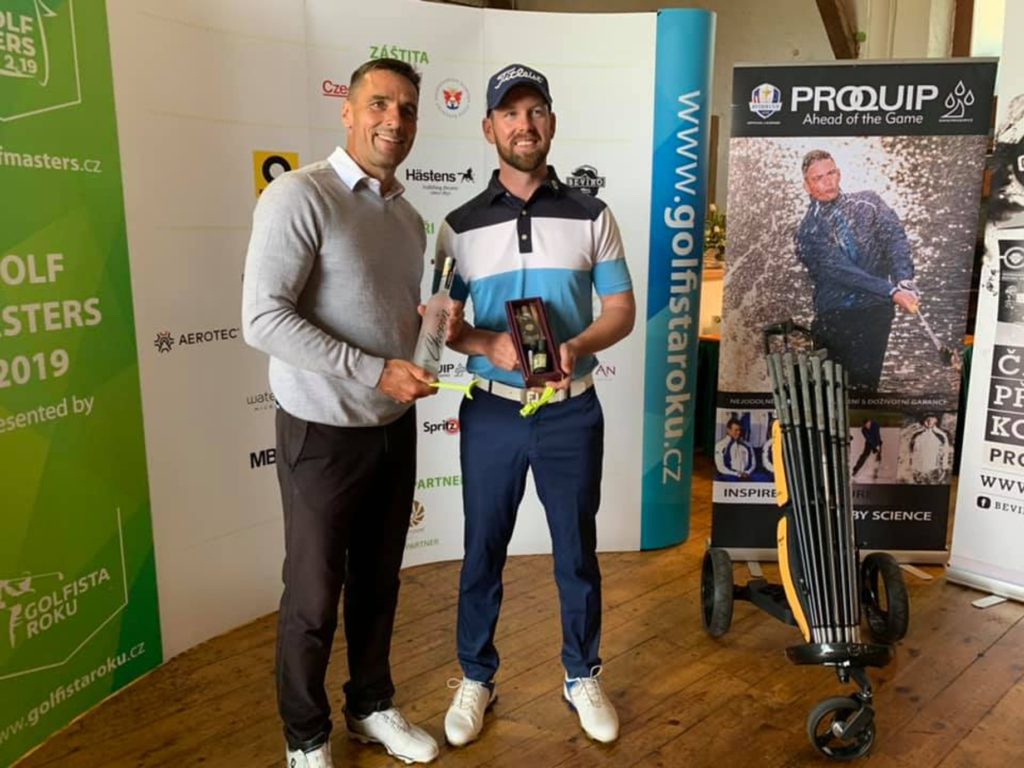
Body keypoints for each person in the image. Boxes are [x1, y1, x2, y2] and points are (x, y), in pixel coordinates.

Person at [241, 58, 442, 768]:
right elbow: (263, 318)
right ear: (348, 112)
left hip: (391, 428)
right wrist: (375, 370)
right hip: (320, 432)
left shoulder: (409, 219)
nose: (395, 120)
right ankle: (306, 735)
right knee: (313, 594)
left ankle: (370, 706)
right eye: (380, 104)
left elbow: (389, 320)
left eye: (408, 108)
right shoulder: (300, 195)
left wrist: (430, 338)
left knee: (379, 582)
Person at [435, 63, 635, 748]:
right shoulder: (457, 227)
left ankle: (582, 673)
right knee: (482, 550)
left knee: (576, 551)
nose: (524, 125)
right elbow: (442, 327)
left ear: (551, 122)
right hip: (492, 411)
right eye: (510, 113)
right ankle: (476, 676)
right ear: (489, 127)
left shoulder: (592, 214)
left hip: (571, 410)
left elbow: (621, 309)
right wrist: (482, 341)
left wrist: (576, 345)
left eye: (535, 111)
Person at [794, 149, 919, 390]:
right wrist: (892, 292)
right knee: (834, 391)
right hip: (835, 316)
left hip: (875, 311)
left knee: (865, 388)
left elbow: (895, 239)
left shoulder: (869, 202)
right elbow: (841, 271)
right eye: (818, 178)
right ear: (807, 186)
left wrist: (904, 280)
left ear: (839, 174)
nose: (828, 182)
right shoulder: (807, 231)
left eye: (831, 173)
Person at [908, 414, 952, 484]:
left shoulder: (941, 436)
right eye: (927, 419)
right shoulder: (916, 435)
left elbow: (945, 453)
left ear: (936, 420)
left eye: (932, 419)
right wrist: (913, 468)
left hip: (934, 471)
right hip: (920, 471)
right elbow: (912, 452)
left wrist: (944, 468)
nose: (929, 421)